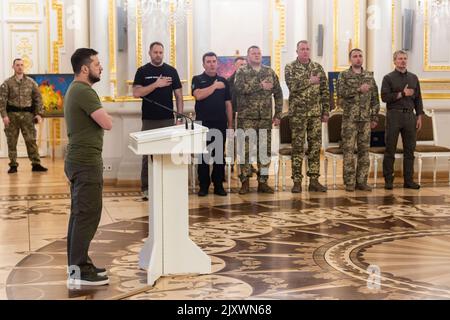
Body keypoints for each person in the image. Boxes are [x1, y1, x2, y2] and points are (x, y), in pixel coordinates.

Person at [65, 48, 113, 286]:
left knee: (79, 216)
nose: (100, 67)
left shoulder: (77, 89)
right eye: (97, 63)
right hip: (85, 162)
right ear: (85, 68)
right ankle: (79, 271)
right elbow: (107, 122)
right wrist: (106, 114)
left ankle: (78, 266)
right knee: (87, 216)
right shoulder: (84, 91)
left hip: (79, 159)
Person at [132, 42, 184, 200]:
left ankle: (167, 185)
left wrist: (180, 117)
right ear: (149, 53)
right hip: (149, 120)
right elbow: (136, 92)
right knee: (147, 155)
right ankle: (146, 188)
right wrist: (156, 84)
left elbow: (179, 96)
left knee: (168, 154)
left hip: (168, 120)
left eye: (161, 52)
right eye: (155, 52)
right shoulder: (142, 71)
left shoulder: (171, 71)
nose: (158, 55)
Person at [234, 45, 283, 194]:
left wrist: (278, 114)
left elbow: (278, 94)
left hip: (265, 119)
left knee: (264, 151)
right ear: (248, 56)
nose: (257, 55)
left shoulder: (269, 72)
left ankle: (263, 182)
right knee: (245, 152)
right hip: (246, 119)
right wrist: (259, 85)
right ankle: (245, 182)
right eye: (253, 53)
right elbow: (239, 88)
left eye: (259, 53)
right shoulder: (242, 71)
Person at [284, 40, 329, 193]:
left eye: (307, 49)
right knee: (297, 147)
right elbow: (292, 86)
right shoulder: (290, 67)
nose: (305, 51)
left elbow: (324, 91)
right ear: (297, 51)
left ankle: (314, 180)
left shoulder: (317, 68)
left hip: (315, 114)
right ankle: (297, 181)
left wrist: (326, 111)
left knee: (315, 147)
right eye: (302, 49)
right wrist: (309, 81)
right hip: (298, 114)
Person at [337, 48, 380, 192]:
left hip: (365, 120)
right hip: (350, 120)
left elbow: (375, 98)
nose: (358, 58)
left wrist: (374, 116)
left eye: (360, 56)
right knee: (348, 151)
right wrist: (358, 89)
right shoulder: (344, 75)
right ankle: (349, 182)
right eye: (355, 56)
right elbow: (340, 94)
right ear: (350, 59)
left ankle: (362, 181)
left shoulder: (369, 76)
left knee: (364, 152)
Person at [192, 52, 233, 197]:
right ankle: (203, 186)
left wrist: (230, 124)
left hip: (220, 123)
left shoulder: (224, 81)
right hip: (202, 124)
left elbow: (228, 104)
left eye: (214, 61)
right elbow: (198, 95)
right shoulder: (197, 79)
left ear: (217, 63)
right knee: (203, 156)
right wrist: (215, 86)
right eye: (208, 62)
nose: (211, 64)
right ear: (203, 64)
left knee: (218, 156)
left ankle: (218, 185)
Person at [381, 50, 423, 190]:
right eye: (400, 59)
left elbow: (418, 99)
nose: (403, 61)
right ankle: (388, 180)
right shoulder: (388, 78)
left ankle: (409, 180)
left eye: (405, 58)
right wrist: (402, 93)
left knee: (410, 150)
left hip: (410, 117)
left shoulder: (413, 78)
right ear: (394, 61)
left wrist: (419, 116)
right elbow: (385, 97)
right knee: (390, 149)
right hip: (394, 115)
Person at [0, 58, 48, 174]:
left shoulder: (31, 83)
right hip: (12, 116)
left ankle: (36, 164)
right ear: (13, 67)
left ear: (24, 67)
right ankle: (13, 165)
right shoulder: (7, 83)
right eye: (17, 65)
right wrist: (4, 116)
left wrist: (39, 114)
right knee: (11, 141)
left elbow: (38, 100)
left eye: (21, 65)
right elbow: (2, 101)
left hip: (28, 116)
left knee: (31, 140)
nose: (20, 67)